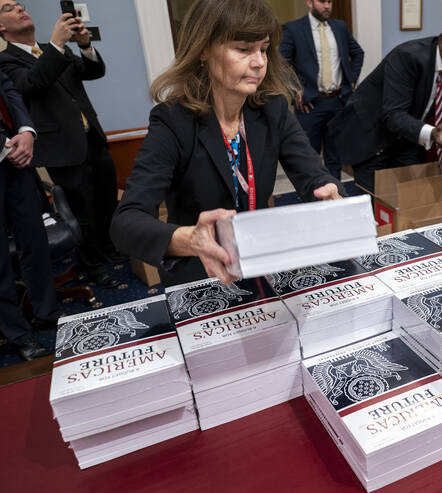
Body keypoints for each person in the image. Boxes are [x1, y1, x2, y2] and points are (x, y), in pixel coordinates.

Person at [110, 0, 343, 287]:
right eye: (244, 49)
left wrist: (329, 193)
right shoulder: (173, 121)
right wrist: (189, 240)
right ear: (204, 50)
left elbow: (314, 175)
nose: (259, 62)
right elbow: (126, 222)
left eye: (264, 48)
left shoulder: (273, 109)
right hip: (202, 275)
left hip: (262, 263)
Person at [0, 1, 124, 288]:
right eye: (9, 8)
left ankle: (108, 248)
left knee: (106, 200)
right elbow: (32, 84)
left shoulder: (53, 48)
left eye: (20, 4)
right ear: (2, 27)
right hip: (61, 148)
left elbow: (93, 71)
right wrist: (56, 44)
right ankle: (92, 266)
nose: (19, 8)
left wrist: (84, 45)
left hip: (91, 137)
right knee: (81, 212)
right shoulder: (7, 62)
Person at [329, 18, 442, 193]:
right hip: (372, 133)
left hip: (407, 135)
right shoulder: (408, 57)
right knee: (375, 203)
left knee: (410, 196)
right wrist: (432, 132)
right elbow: (393, 114)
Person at [0, 68, 56, 360]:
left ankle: (47, 312)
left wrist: (25, 131)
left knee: (34, 238)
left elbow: (7, 90)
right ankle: (17, 333)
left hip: (16, 162)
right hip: (5, 151)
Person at [280, 0, 364, 181]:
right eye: (322, 1)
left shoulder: (340, 27)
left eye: (330, 2)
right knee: (308, 158)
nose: (327, 6)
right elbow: (281, 63)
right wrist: (295, 89)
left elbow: (358, 53)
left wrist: (351, 80)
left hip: (338, 102)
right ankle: (312, 199)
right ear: (309, 2)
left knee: (335, 157)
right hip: (310, 105)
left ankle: (333, 198)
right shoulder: (293, 29)